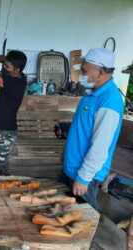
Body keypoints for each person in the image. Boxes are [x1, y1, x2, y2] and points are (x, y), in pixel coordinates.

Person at [62, 48, 124, 210]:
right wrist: (66, 153)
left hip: (85, 175)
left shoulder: (109, 101)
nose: (81, 74)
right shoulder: (91, 93)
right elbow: (81, 130)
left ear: (100, 72)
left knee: (84, 222)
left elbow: (100, 146)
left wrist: (83, 178)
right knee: (64, 216)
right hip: (72, 168)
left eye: (84, 71)